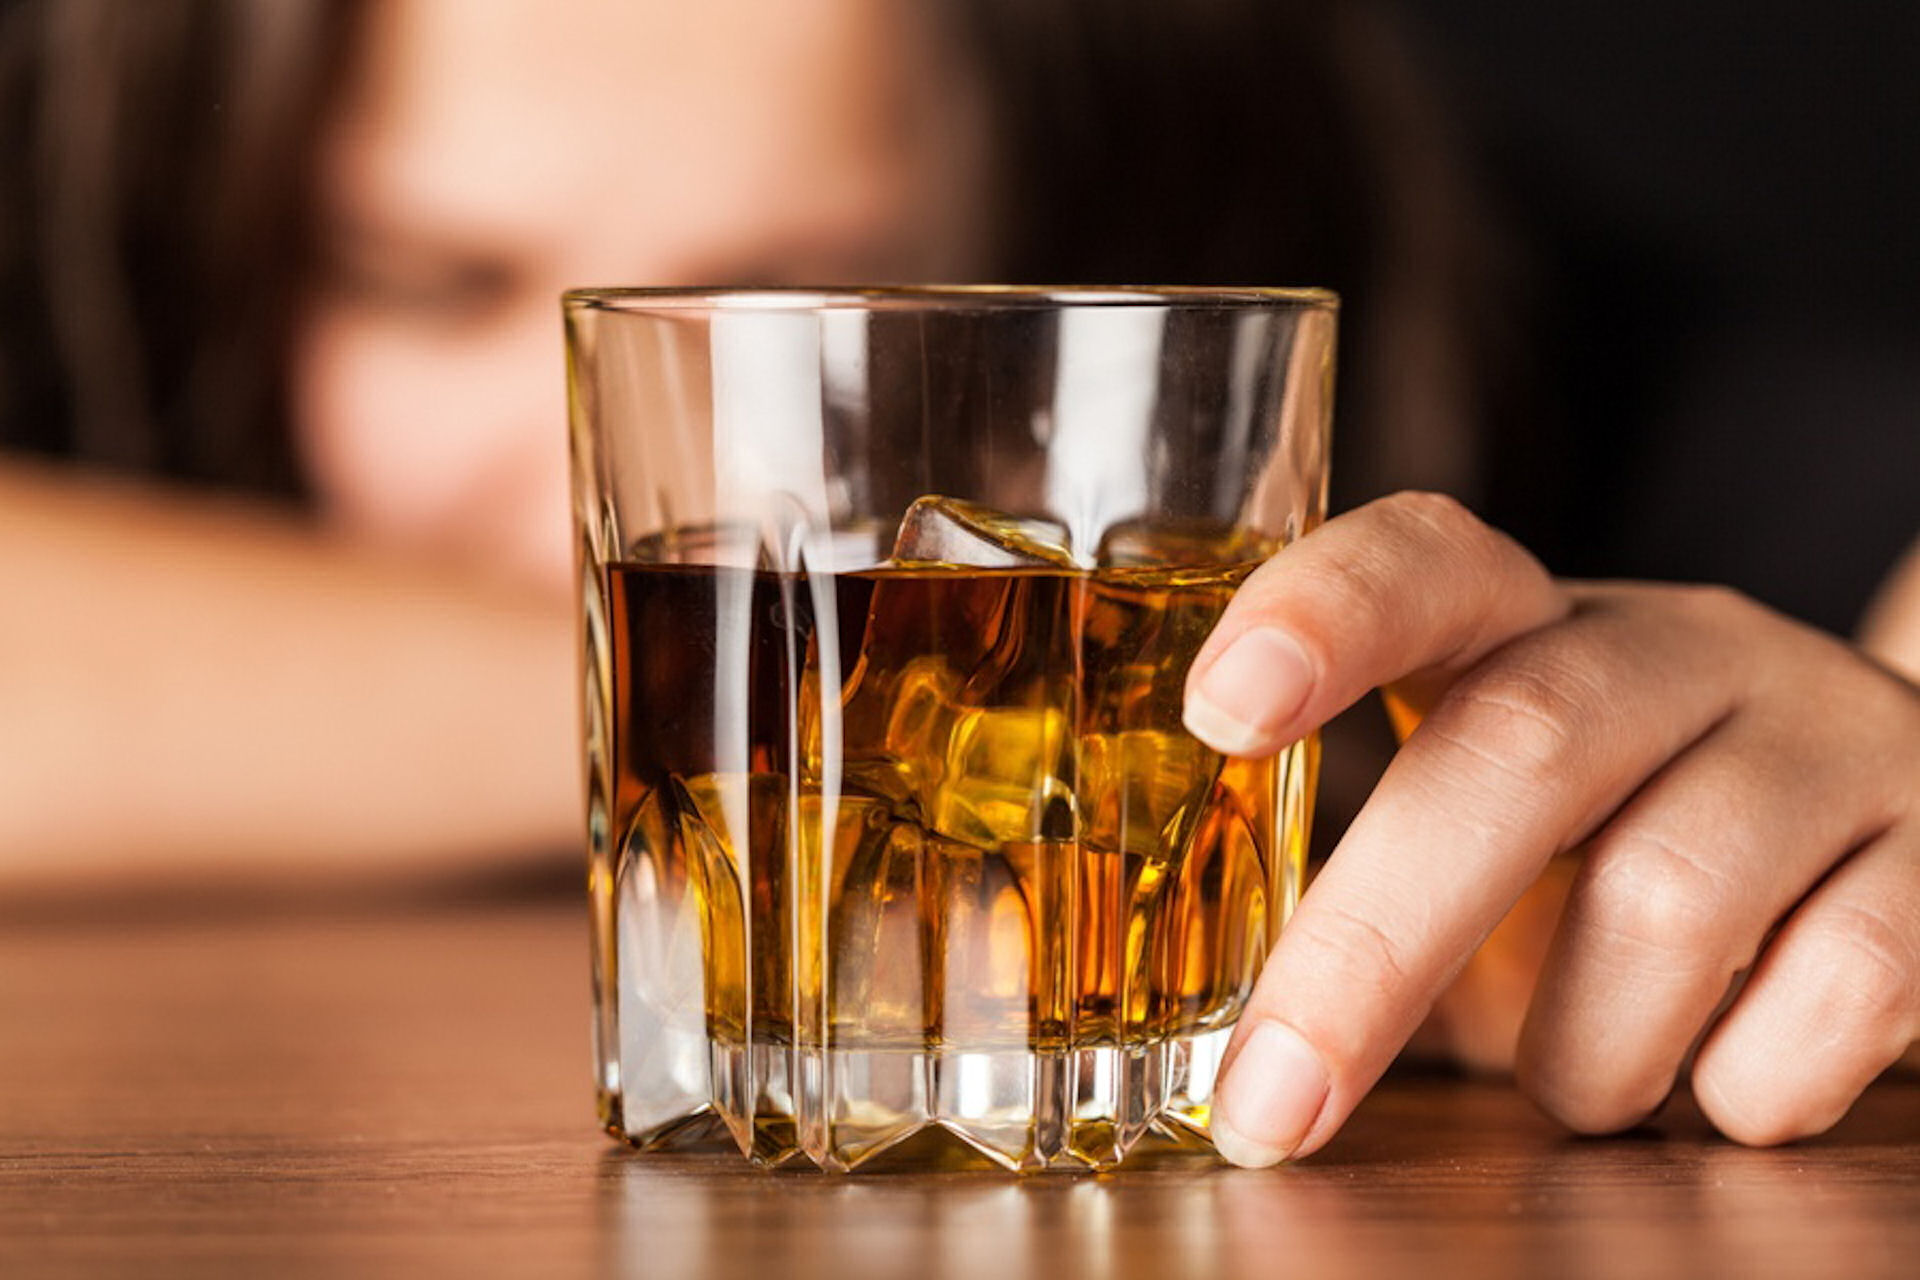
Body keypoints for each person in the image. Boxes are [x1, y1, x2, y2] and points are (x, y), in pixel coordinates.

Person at [0, 0, 1914, 1166]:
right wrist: (933, 715)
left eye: (795, 313)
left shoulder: (1531, 348)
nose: (633, 458)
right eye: (425, 284)